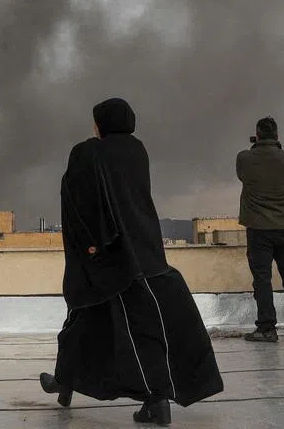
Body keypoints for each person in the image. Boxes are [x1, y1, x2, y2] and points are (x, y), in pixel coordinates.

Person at [40, 97, 224, 426]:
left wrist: (92, 248)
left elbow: (77, 200)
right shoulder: (137, 151)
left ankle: (151, 399)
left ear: (102, 124)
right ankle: (65, 383)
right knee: (104, 322)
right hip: (146, 251)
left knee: (90, 317)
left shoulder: (88, 152)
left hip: (109, 257)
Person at [236, 116, 284, 343]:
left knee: (263, 279)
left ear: (257, 135)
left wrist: (256, 146)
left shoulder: (244, 158)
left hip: (258, 228)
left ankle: (267, 328)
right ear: (277, 136)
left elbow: (244, 173)